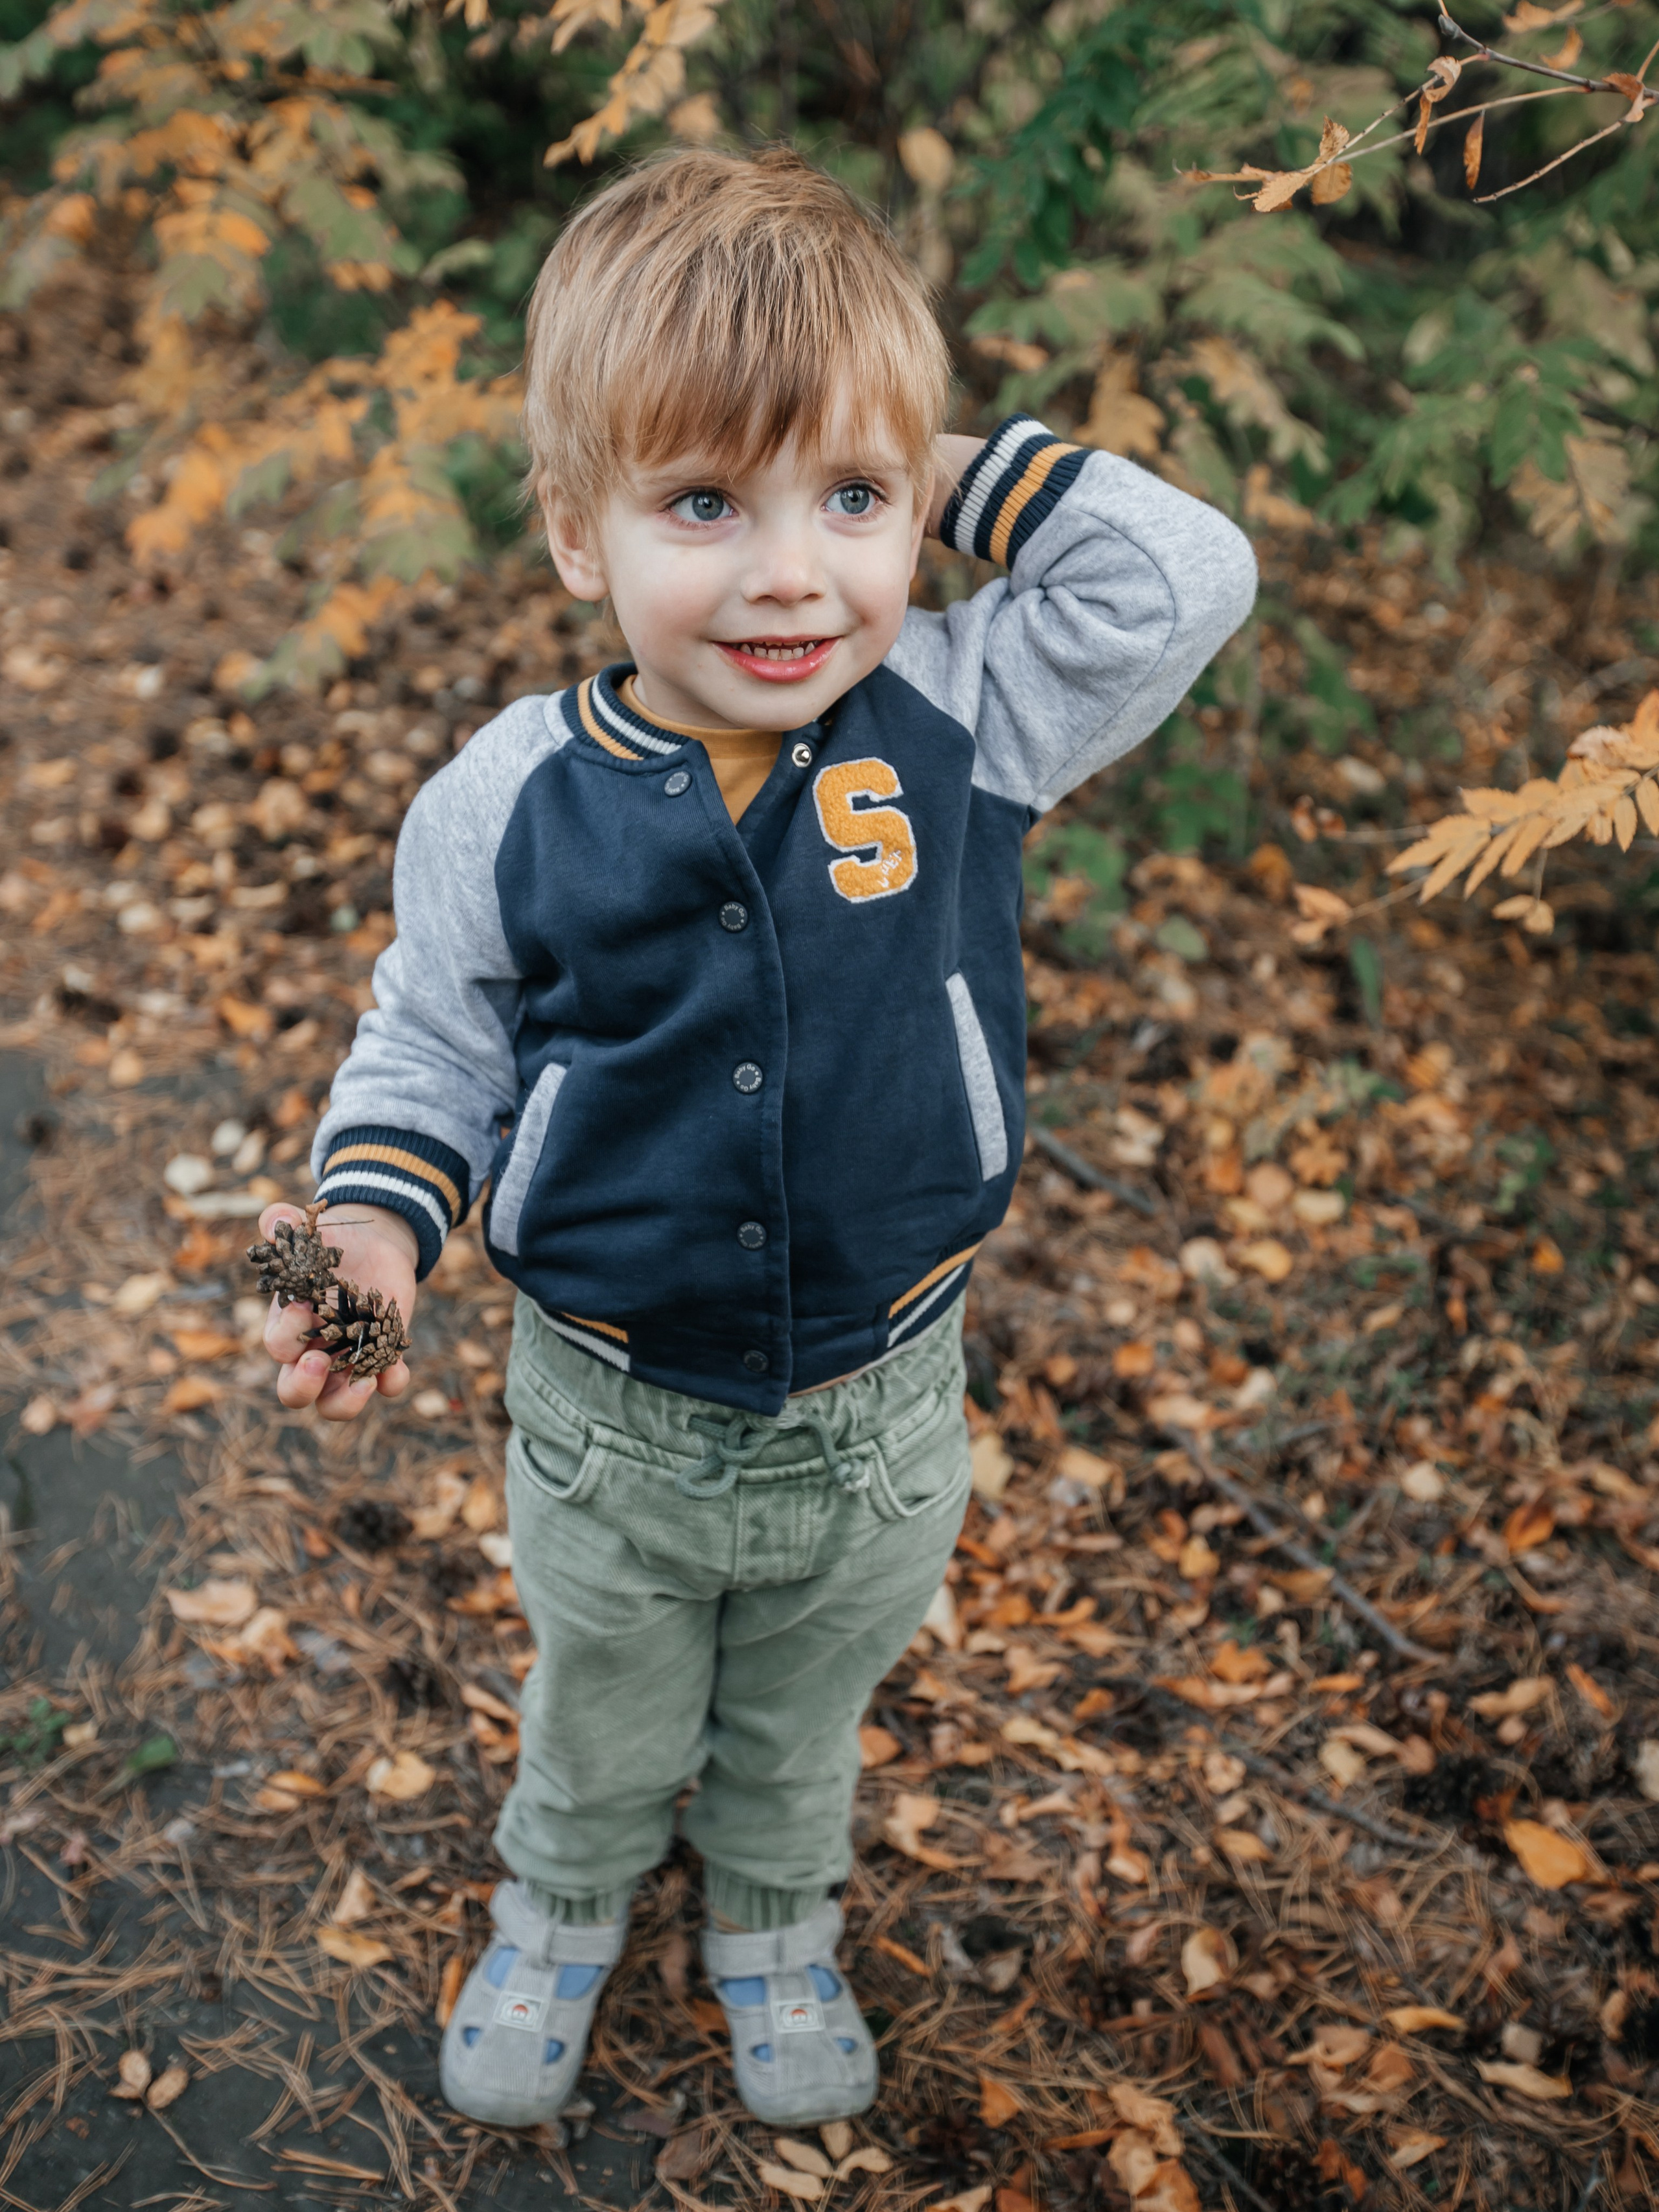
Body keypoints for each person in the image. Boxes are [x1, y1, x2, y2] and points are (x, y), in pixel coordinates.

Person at [253, 145, 1256, 2130]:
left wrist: (914, 448)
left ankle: (776, 1917)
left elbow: (1189, 574)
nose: (794, 572)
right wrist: (354, 1247)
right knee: (605, 1702)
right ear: (576, 532)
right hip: (606, 1407)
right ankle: (561, 1899)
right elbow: (422, 1047)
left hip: (887, 1404)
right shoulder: (505, 801)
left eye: (850, 506)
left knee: (806, 1714)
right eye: (705, 503)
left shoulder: (964, 716)